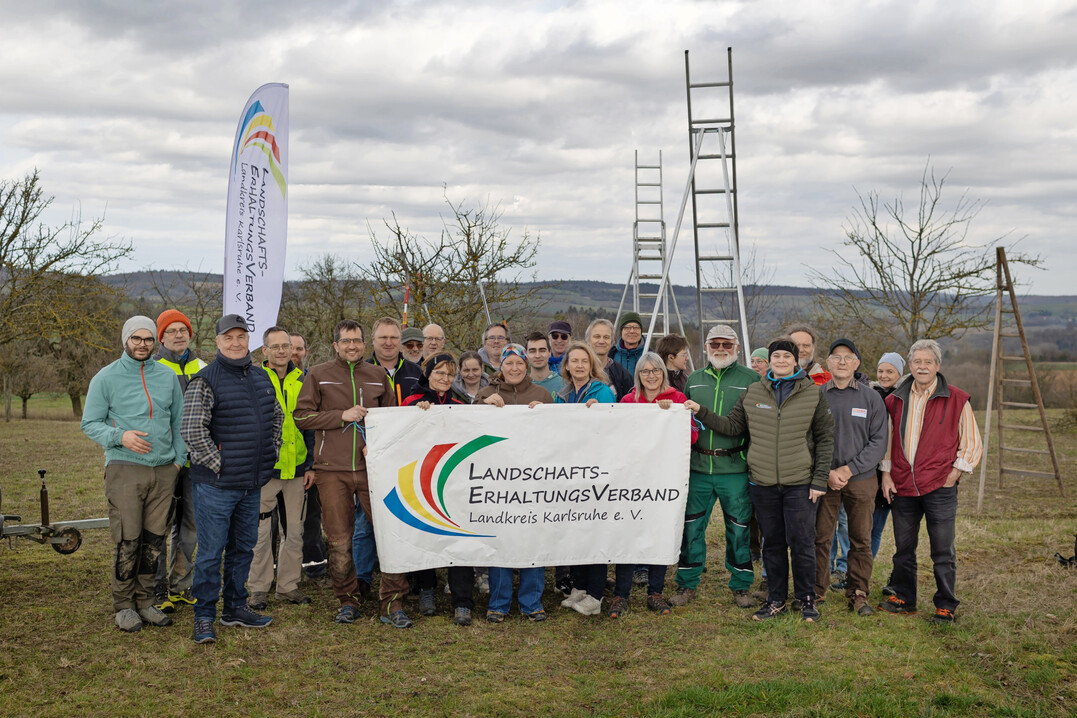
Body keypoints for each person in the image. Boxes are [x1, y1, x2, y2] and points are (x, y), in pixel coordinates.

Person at [686, 337, 834, 623]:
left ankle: (806, 600)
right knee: (772, 543)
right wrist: (700, 411)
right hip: (763, 482)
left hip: (800, 482)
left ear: (795, 361)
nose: (780, 361)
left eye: (786, 357)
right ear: (770, 360)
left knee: (802, 542)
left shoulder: (813, 394)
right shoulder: (754, 391)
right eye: (776, 356)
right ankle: (776, 599)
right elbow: (732, 426)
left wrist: (819, 481)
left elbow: (826, 439)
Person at [293, 320, 414, 628]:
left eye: (357, 341)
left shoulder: (377, 376)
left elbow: (392, 421)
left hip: (373, 469)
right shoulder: (319, 374)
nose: (352, 346)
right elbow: (302, 417)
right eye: (346, 341)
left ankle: (392, 602)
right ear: (336, 345)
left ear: (364, 344)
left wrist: (379, 446)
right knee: (338, 539)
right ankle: (348, 600)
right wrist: (340, 416)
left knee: (390, 534)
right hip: (332, 471)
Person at [181, 314, 283, 644]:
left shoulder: (260, 377)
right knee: (211, 552)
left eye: (241, 336)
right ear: (218, 342)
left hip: (252, 482)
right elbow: (192, 431)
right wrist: (219, 464)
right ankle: (204, 615)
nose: (236, 343)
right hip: (216, 485)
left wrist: (272, 452)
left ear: (249, 340)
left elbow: (276, 417)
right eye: (229, 338)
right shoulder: (205, 380)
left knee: (243, 549)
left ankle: (235, 607)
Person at [81, 315, 186, 633]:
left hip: (164, 471)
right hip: (125, 469)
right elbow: (90, 423)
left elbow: (179, 422)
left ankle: (146, 602)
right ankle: (124, 606)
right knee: (128, 539)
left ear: (156, 342)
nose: (142, 344)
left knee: (154, 540)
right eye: (136, 338)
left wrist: (178, 461)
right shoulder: (106, 377)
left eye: (148, 339)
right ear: (126, 339)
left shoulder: (166, 377)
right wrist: (120, 437)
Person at [878, 339, 982, 624]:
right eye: (917, 362)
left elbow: (972, 443)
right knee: (903, 548)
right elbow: (887, 441)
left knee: (942, 550)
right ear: (909, 365)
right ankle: (904, 598)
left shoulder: (957, 398)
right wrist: (886, 474)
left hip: (940, 486)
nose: (922, 367)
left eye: (928, 362)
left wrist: (954, 474)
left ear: (938, 366)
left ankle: (945, 605)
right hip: (902, 485)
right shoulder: (894, 400)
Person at [670, 325, 760, 609]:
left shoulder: (752, 379)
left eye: (726, 344)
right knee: (692, 527)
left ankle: (741, 585)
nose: (721, 349)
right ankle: (686, 583)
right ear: (706, 347)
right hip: (698, 467)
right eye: (715, 344)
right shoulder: (694, 379)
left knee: (739, 528)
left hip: (734, 467)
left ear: (737, 347)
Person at [609, 352, 697, 618]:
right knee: (629, 531)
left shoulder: (677, 399)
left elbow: (691, 437)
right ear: (638, 375)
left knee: (659, 530)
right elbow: (615, 436)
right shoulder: (627, 401)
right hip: (633, 479)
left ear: (663, 373)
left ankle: (655, 592)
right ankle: (621, 594)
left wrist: (673, 417)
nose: (650, 376)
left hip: (664, 477)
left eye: (655, 370)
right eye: (645, 371)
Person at [475, 344, 553, 622]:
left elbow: (560, 433)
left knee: (533, 538)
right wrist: (484, 407)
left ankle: (531, 601)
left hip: (534, 480)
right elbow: (468, 427)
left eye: (519, 363)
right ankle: (499, 602)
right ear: (500, 366)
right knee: (500, 540)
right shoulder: (486, 393)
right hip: (497, 482)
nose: (515, 368)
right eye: (509, 363)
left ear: (526, 364)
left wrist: (548, 413)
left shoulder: (542, 394)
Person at [814, 339, 888, 617]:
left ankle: (858, 592)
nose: (842, 362)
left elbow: (878, 441)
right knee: (820, 537)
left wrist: (848, 470)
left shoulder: (871, 398)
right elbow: (809, 437)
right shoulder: (818, 395)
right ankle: (816, 590)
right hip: (824, 478)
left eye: (848, 357)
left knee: (860, 539)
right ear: (828, 363)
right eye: (836, 357)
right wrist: (827, 473)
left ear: (857, 363)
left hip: (861, 479)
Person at [248, 327, 316, 610]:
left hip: (298, 468)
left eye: (285, 346)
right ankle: (258, 588)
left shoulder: (305, 379)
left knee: (295, 531)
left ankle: (288, 586)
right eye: (274, 346)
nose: (280, 351)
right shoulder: (252, 378)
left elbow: (312, 423)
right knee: (261, 533)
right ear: (264, 350)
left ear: (292, 348)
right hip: (264, 469)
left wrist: (311, 464)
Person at [401, 354, 467, 619]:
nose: (445, 379)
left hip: (455, 480)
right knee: (425, 533)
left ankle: (462, 598)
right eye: (439, 373)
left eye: (450, 374)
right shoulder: (412, 402)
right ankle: (426, 587)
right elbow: (399, 432)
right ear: (427, 373)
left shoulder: (460, 403)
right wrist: (416, 416)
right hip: (422, 479)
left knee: (460, 534)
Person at [555, 342, 617, 616]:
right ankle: (579, 586)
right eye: (574, 361)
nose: (579, 365)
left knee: (594, 532)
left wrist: (600, 413)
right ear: (566, 365)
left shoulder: (602, 392)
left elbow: (612, 429)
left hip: (595, 471)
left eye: (584, 361)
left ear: (592, 365)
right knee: (575, 531)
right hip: (570, 471)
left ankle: (595, 593)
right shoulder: (562, 394)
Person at [151, 309, 206, 613]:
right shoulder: (153, 367)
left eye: (182, 330)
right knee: (159, 525)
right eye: (171, 331)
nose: (178, 335)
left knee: (191, 525)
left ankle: (181, 584)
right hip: (164, 460)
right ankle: (157, 589)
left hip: (196, 461)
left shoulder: (204, 367)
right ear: (161, 337)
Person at [872, 351, 905, 596]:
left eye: (889, 371)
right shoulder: (871, 395)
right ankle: (860, 573)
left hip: (901, 471)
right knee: (872, 528)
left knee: (903, 532)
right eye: (881, 371)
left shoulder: (905, 397)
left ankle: (898, 578)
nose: (884, 375)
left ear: (899, 374)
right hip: (875, 472)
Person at [367, 316, 422, 405]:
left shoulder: (418, 373)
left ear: (400, 339)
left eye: (393, 338)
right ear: (373, 339)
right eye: (383, 337)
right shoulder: (360, 372)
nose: (388, 343)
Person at [585, 318, 633, 399]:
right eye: (597, 337)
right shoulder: (578, 370)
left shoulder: (622, 374)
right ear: (588, 340)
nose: (601, 341)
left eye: (606, 337)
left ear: (612, 342)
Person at [524, 331, 563, 396]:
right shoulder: (520, 387)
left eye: (542, 350)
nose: (537, 355)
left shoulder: (564, 385)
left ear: (550, 353)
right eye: (532, 351)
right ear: (526, 354)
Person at [610, 311, 645, 376]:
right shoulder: (611, 354)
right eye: (627, 327)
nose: (632, 331)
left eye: (636, 327)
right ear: (621, 331)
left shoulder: (649, 354)